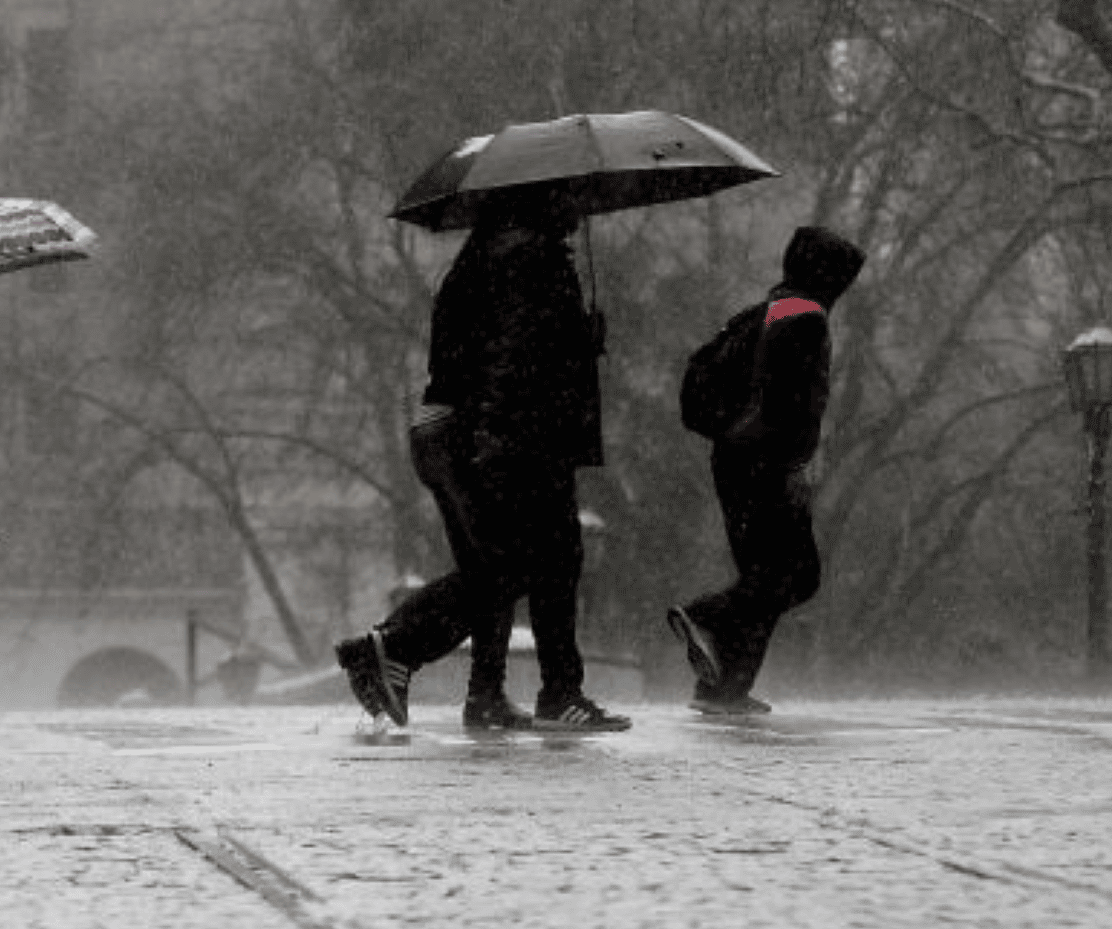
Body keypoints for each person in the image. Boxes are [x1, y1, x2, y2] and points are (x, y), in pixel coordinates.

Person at [335, 187, 630, 733]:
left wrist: (577, 339)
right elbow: (511, 358)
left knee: (510, 563)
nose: (580, 208)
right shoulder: (528, 257)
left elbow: (501, 347)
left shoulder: (492, 254)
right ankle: (397, 648)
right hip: (509, 434)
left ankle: (489, 692)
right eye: (570, 197)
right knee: (531, 563)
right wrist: (502, 438)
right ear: (544, 202)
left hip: (475, 430)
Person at [668, 226, 865, 715]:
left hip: (734, 457)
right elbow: (788, 404)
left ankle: (724, 688)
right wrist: (791, 468)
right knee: (794, 577)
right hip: (766, 462)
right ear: (827, 275)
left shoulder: (766, 310)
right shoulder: (806, 319)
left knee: (766, 577)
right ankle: (705, 617)